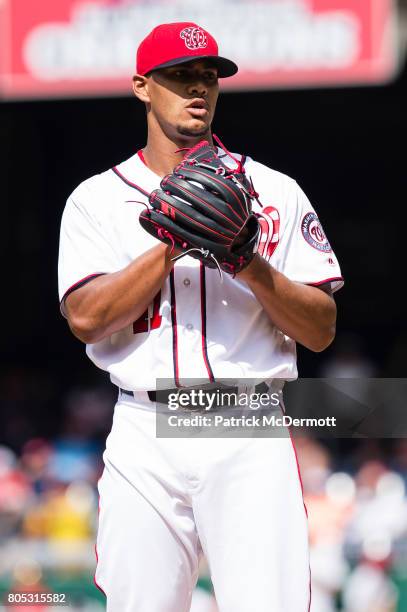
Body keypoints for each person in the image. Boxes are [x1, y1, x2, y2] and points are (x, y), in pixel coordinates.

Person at [58, 21, 343, 612]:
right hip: (146, 425)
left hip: (246, 424)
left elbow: (320, 328)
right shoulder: (96, 198)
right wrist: (170, 241)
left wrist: (246, 260)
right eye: (180, 75)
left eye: (209, 77)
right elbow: (85, 318)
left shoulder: (273, 190)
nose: (198, 88)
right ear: (143, 86)